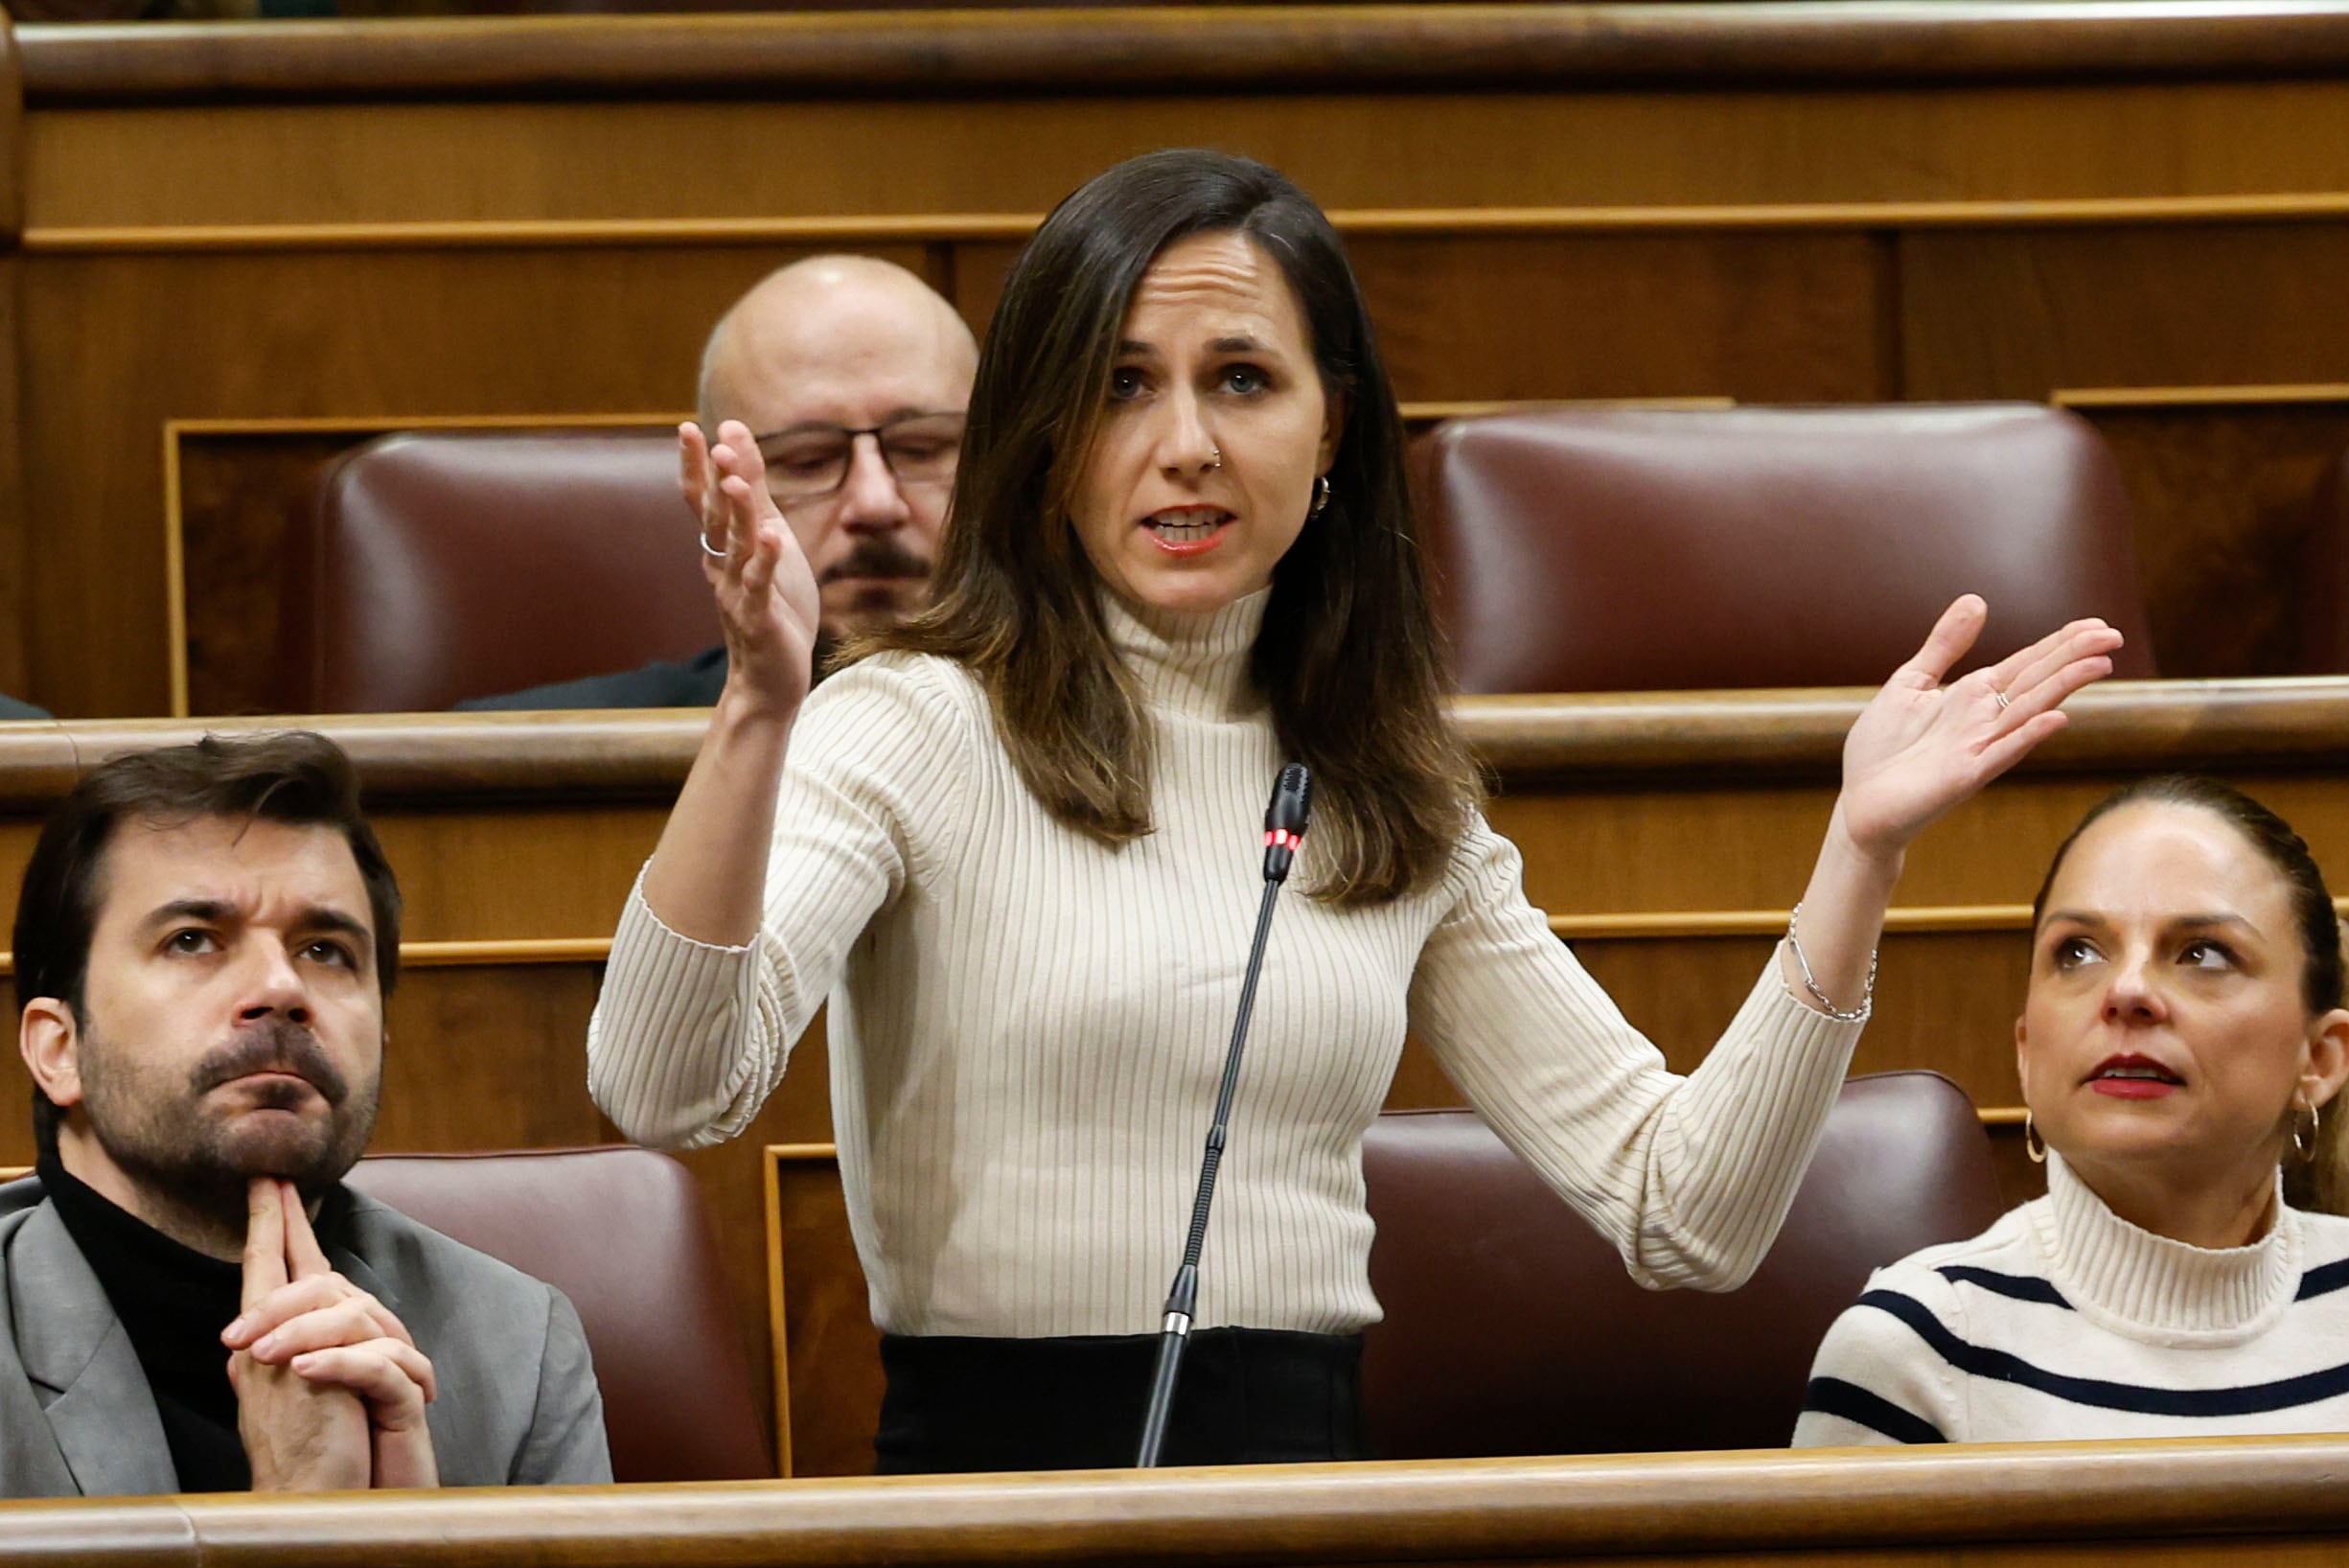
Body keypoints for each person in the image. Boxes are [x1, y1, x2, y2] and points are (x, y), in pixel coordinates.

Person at [587, 149, 2121, 1473]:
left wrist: (1858, 855)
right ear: (1046, 442)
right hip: (1001, 1498)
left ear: (1331, 435)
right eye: (1123, 384)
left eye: (1241, 379)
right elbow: (662, 1085)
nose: (1184, 440)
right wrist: (759, 713)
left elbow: (1686, 1211)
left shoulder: (1390, 787)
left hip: (1311, 1505)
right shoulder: (910, 725)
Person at [0, 732, 611, 1496]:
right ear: (59, 1049)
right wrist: (306, 1534)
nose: (282, 987)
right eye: (192, 941)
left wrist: (414, 1564)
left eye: (325, 951)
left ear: (381, 1037)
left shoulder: (516, 1348)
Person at [1795, 775, 2349, 1448]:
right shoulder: (1918, 1348)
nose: (2126, 991)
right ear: (2027, 1051)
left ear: (2321, 1058)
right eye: (2077, 952)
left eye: (2204, 953)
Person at [461, 255, 977, 710]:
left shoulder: (1059, 740)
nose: (875, 503)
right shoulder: (508, 771)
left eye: (922, 449)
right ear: (714, 499)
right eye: (808, 460)